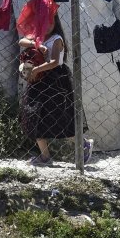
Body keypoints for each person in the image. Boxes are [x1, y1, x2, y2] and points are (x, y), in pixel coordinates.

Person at [19, 14, 79, 166]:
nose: (47, 26)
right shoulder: (37, 36)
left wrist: (37, 69)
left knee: (59, 116)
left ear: (55, 23)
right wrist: (37, 45)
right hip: (38, 82)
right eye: (43, 22)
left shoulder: (57, 39)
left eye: (50, 22)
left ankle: (82, 145)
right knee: (34, 116)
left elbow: (54, 62)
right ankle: (45, 156)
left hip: (54, 81)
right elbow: (21, 40)